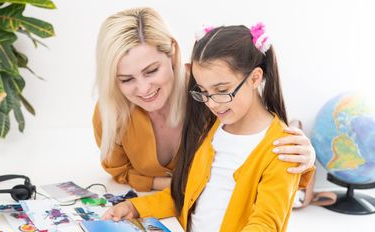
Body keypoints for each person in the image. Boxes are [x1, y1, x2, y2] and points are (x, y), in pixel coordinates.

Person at [103, 22, 301, 232]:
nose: (210, 103)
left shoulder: (280, 149)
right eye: (204, 93)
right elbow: (188, 196)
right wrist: (137, 207)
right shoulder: (214, 127)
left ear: (255, 78)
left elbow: (266, 226)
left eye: (221, 92)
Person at [92, 7, 315, 192]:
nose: (143, 89)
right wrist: (171, 186)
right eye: (126, 79)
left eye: (151, 71)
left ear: (172, 53)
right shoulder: (111, 111)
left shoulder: (211, 93)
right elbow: (119, 171)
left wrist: (305, 157)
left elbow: (262, 151)